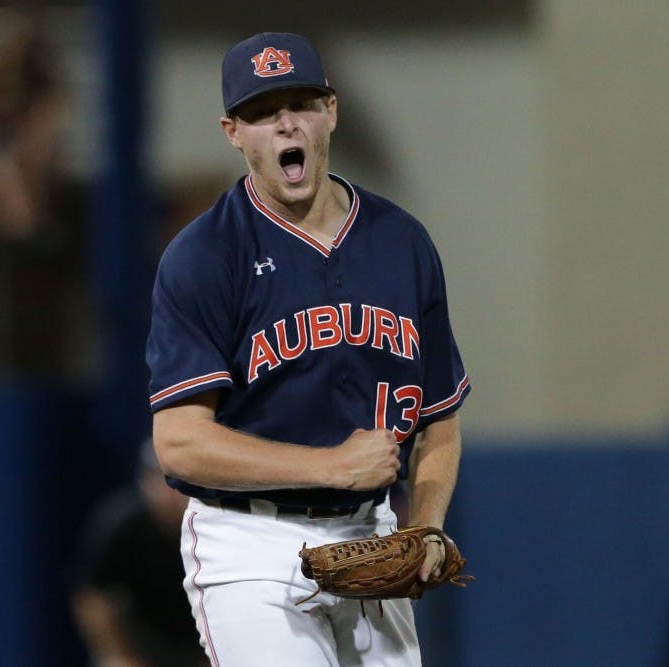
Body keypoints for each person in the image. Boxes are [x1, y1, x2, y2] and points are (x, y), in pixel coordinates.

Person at [145, 32, 470, 666]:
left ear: (331, 112)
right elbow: (179, 441)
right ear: (232, 131)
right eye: (263, 112)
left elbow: (440, 421)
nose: (285, 123)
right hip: (247, 539)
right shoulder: (205, 256)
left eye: (300, 103)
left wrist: (425, 524)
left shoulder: (401, 242)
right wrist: (329, 467)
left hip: (368, 529)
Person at [71, 439, 208, 667]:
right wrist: (121, 655)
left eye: (178, 482)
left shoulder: (212, 528)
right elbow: (92, 599)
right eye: (159, 480)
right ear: (143, 483)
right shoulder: (122, 525)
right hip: (141, 650)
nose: (169, 492)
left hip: (205, 648)